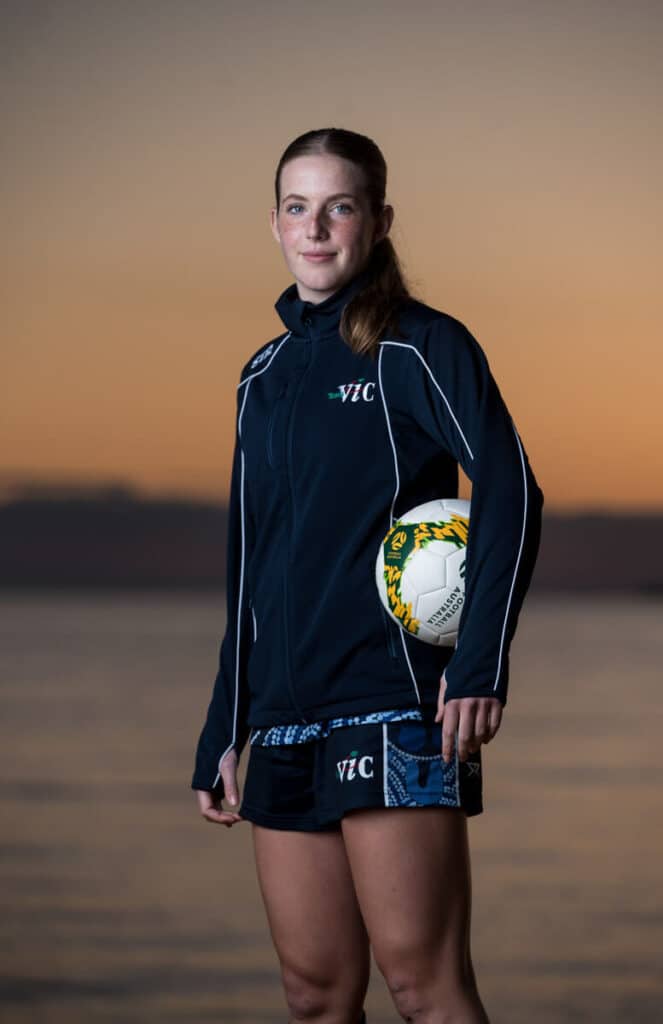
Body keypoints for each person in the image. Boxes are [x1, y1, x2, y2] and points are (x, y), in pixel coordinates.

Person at [191, 127, 544, 1024]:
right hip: (283, 718)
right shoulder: (261, 376)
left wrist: (479, 665)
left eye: (338, 207)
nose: (314, 229)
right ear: (274, 223)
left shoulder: (419, 345)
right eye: (297, 207)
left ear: (378, 221)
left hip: (394, 708)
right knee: (313, 996)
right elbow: (249, 558)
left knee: (424, 989)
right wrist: (225, 725)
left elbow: (510, 489)